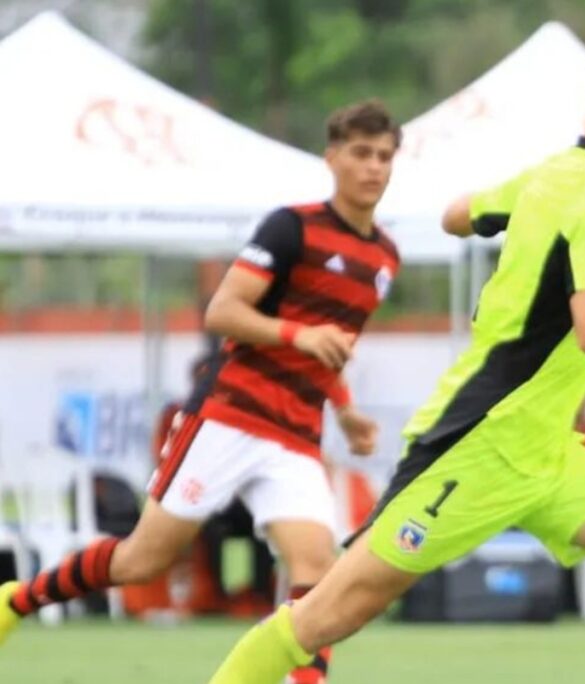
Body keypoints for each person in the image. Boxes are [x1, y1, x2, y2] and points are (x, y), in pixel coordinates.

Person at [206, 35, 585, 684]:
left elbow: (458, 215)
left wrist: (501, 231)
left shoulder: (553, 176)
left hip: (546, 455)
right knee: (325, 617)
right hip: (476, 447)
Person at [0, 99, 403, 684]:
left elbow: (327, 348)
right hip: (231, 415)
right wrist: (296, 332)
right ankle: (16, 600)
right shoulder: (291, 227)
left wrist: (345, 413)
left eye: (385, 156)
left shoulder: (384, 257)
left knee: (318, 568)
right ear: (333, 158)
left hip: (294, 433)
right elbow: (224, 311)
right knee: (143, 559)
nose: (374, 168)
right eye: (362, 154)